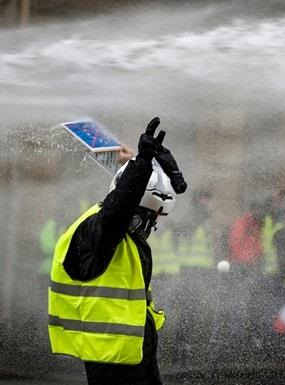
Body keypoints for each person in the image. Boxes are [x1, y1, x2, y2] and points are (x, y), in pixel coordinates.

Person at [48, 117, 187, 385]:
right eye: (150, 217)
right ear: (133, 214)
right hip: (112, 360)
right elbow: (118, 208)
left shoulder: (121, 235)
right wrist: (141, 164)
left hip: (132, 353)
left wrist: (142, 164)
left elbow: (125, 197)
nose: (151, 225)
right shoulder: (98, 230)